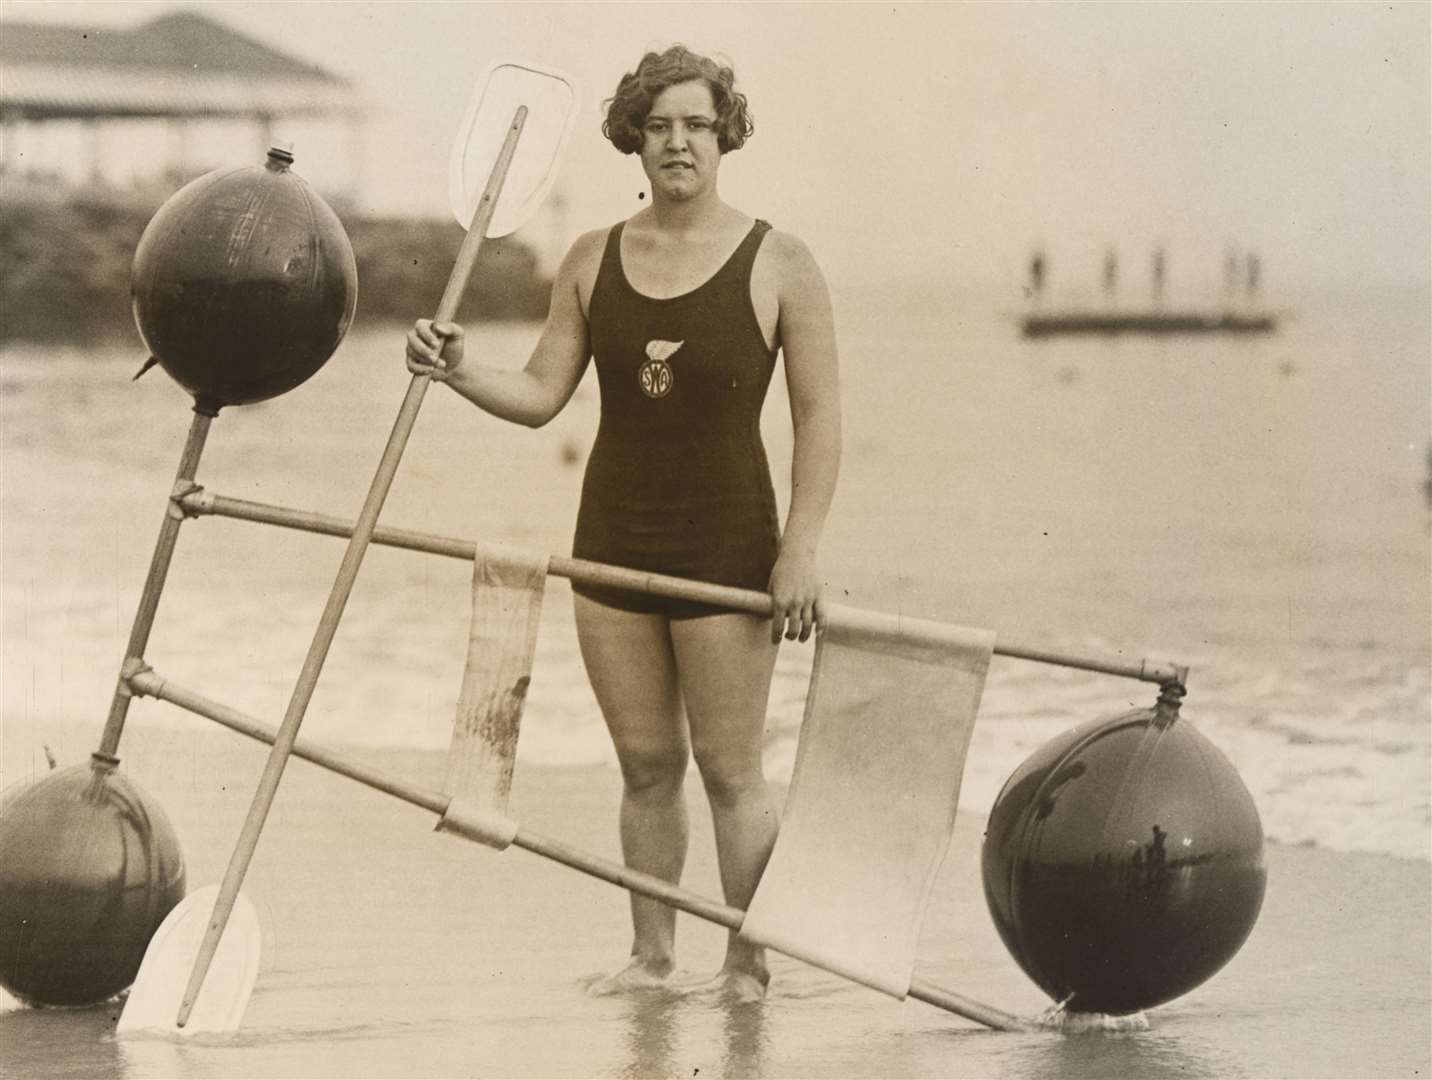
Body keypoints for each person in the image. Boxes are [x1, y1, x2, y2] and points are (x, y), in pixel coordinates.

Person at [406, 45, 841, 1002]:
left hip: (730, 549)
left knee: (731, 772)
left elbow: (821, 420)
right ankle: (652, 958)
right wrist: (454, 367)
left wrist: (800, 549)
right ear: (633, 140)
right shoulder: (591, 259)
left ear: (725, 133)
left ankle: (747, 962)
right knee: (647, 766)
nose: (677, 141)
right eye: (658, 126)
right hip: (610, 542)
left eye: (695, 123)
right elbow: (538, 394)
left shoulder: (781, 261)